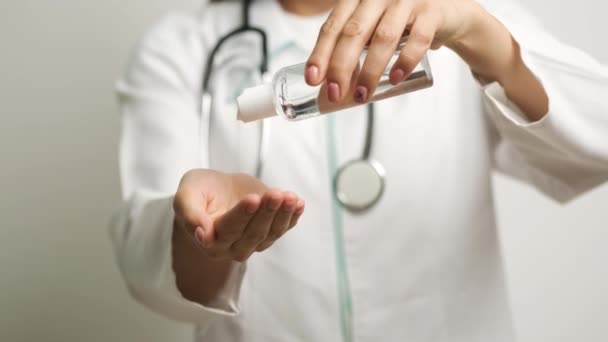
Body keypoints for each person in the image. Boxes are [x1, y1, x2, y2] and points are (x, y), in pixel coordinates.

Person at [110, 0, 608, 341]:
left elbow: (598, 139)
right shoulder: (182, 48)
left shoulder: (457, 18)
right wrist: (200, 231)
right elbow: (147, 267)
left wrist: (480, 36)